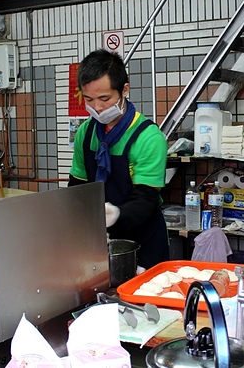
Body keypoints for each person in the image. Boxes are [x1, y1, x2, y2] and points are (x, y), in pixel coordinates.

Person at [69, 49, 169, 270]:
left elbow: (146, 199)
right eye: (89, 99)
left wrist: (116, 214)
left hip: (144, 241)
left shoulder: (148, 137)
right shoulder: (85, 133)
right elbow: (77, 186)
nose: (97, 107)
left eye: (105, 98)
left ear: (124, 90)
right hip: (99, 240)